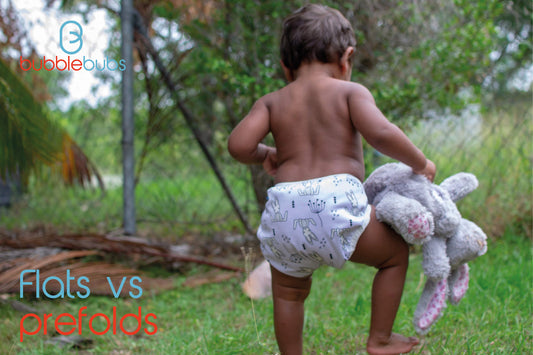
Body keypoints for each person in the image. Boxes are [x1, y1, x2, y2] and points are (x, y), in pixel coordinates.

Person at [228, 4, 435, 355]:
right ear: (347, 58)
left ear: (285, 66)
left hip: (285, 212)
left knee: (288, 292)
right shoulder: (350, 93)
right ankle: (380, 339)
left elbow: (238, 145)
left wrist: (266, 153)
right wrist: (421, 162)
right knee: (394, 254)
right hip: (336, 205)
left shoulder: (271, 102)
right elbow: (382, 134)